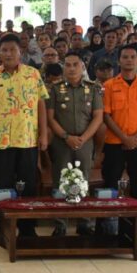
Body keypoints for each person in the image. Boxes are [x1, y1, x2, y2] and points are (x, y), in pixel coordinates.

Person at [0, 34, 48, 238]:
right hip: (0, 141)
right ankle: (4, 228)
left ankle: (27, 228)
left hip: (27, 140)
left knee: (29, 185)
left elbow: (41, 104)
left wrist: (43, 134)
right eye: (3, 50)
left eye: (12, 50)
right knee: (3, 186)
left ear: (20, 52)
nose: (7, 54)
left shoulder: (33, 74)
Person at [102, 44, 137, 237]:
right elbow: (106, 116)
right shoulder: (109, 86)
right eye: (125, 57)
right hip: (114, 142)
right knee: (110, 182)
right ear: (119, 60)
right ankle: (108, 224)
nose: (129, 60)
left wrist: (135, 137)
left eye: (132, 57)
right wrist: (124, 137)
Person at [46, 52, 103, 236]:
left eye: (75, 65)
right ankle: (60, 223)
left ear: (82, 67)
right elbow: (50, 117)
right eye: (68, 65)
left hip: (85, 142)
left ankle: (83, 222)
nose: (71, 68)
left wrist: (84, 138)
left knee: (82, 179)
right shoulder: (55, 89)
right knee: (61, 180)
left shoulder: (93, 88)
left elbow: (98, 117)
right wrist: (65, 136)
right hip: (62, 142)